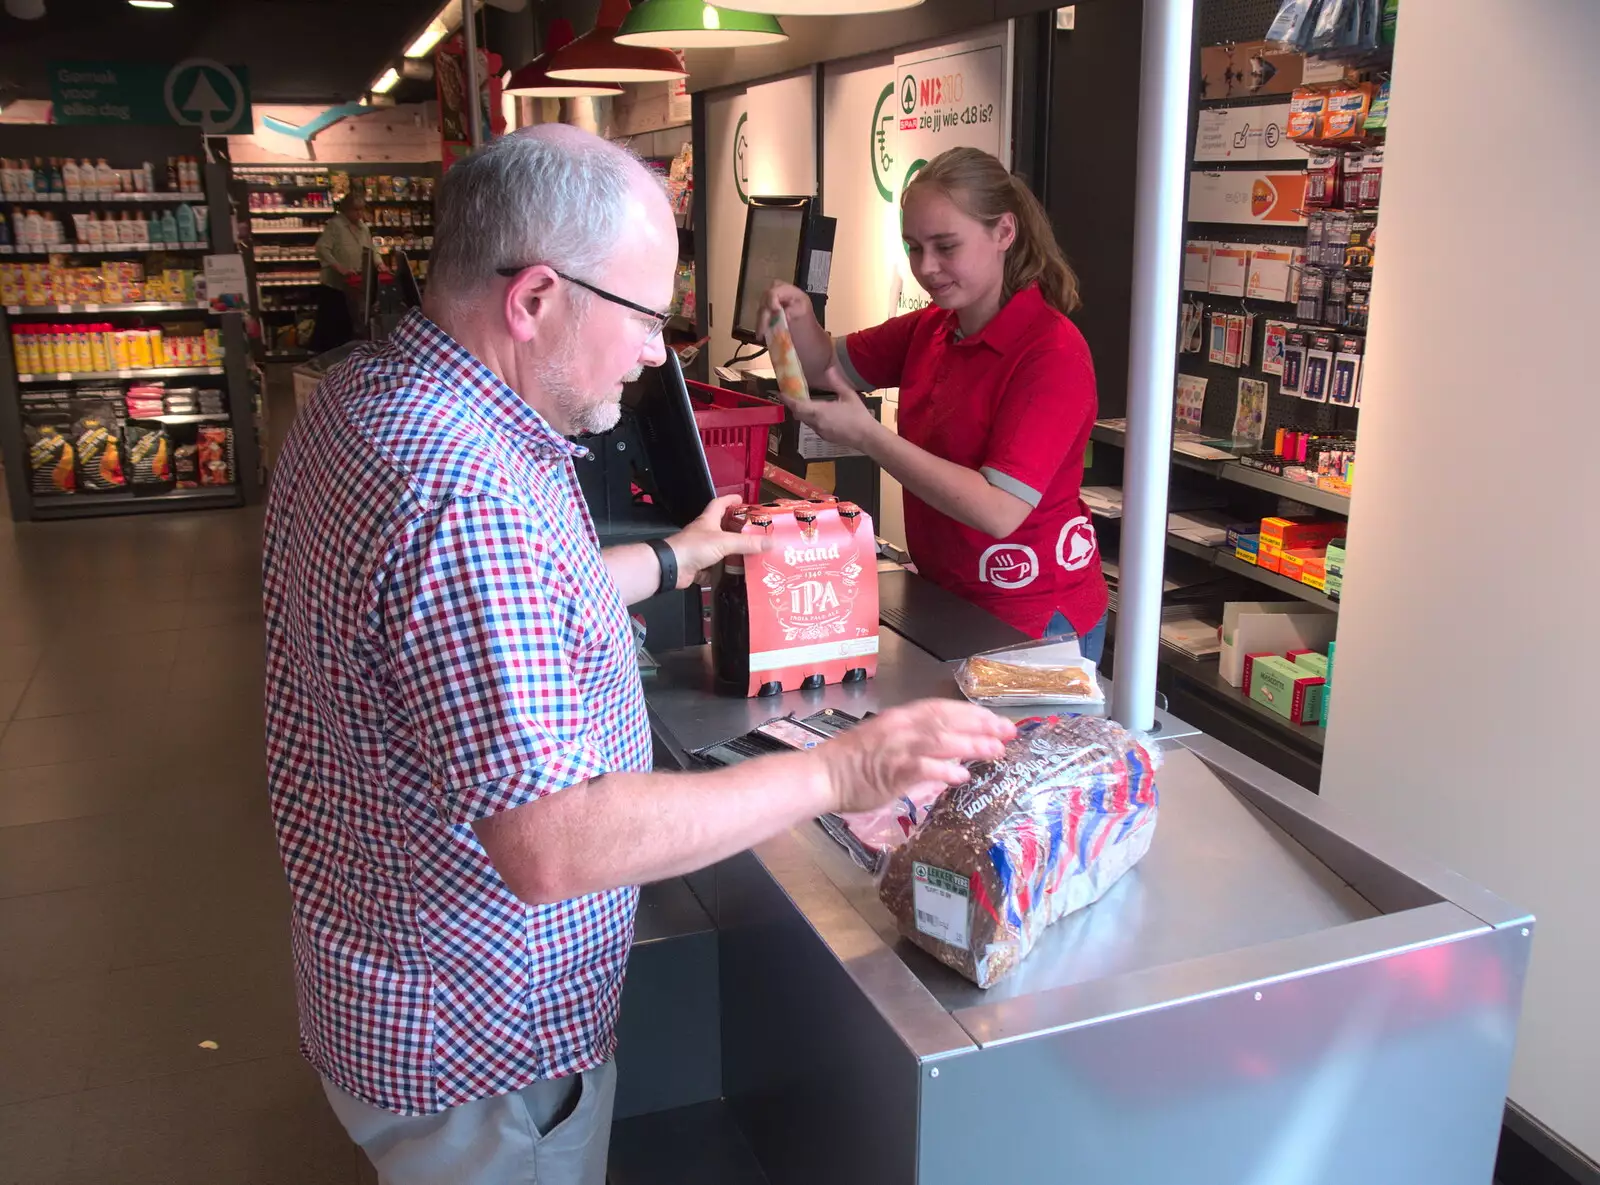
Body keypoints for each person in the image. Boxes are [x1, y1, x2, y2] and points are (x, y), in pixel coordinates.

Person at [262, 125, 1013, 1185]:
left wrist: (677, 559)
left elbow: (469, 625)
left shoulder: (377, 400)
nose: (656, 353)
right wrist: (843, 769)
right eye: (642, 316)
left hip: (391, 980)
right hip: (484, 1048)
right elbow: (556, 842)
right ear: (532, 299)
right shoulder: (461, 492)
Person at [766, 146, 1110, 660]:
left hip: (1034, 616)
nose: (927, 268)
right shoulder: (933, 326)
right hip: (948, 597)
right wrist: (793, 321)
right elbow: (823, 367)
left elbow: (998, 509)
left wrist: (867, 436)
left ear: (1004, 233)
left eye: (946, 246)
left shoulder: (1051, 352)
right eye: (914, 247)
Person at [309, 191, 371, 353]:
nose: (359, 214)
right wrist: (339, 267)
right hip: (334, 283)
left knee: (349, 321)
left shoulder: (363, 228)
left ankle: (345, 353)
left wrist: (379, 264)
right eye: (355, 210)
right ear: (346, 210)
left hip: (355, 283)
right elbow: (322, 248)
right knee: (332, 320)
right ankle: (327, 355)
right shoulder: (335, 225)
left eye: (361, 210)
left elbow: (371, 249)